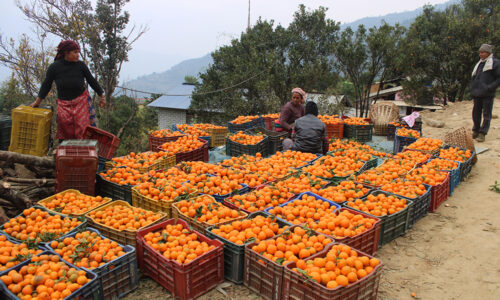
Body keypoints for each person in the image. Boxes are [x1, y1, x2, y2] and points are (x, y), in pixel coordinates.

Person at [31, 40, 105, 141]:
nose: (78, 55)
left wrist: (101, 95)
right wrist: (37, 102)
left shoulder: (81, 66)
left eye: (78, 52)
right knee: (65, 131)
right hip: (63, 105)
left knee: (83, 130)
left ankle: (83, 153)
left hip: (81, 103)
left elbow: (91, 80)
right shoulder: (54, 67)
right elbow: (46, 85)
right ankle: (66, 154)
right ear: (66, 53)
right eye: (75, 52)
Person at [470, 43, 500, 142]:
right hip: (477, 93)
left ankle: (483, 133)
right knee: (476, 113)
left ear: (488, 53)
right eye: (480, 52)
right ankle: (476, 130)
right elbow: (475, 77)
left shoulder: (495, 63)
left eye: (483, 52)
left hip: (487, 93)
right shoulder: (480, 63)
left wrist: (490, 87)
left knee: (486, 114)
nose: (481, 54)